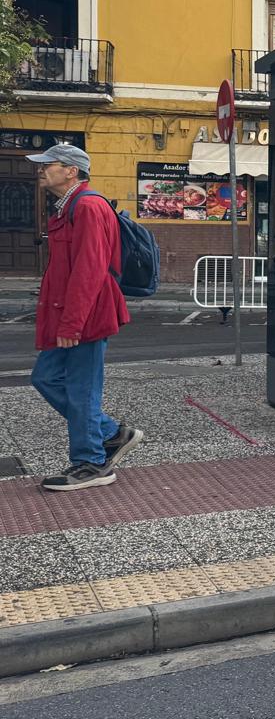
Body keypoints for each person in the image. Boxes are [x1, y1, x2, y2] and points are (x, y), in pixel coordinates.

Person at [28, 144, 142, 492]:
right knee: (45, 377)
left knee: (81, 390)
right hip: (70, 314)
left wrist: (72, 324)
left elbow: (89, 272)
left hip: (85, 316)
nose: (42, 169)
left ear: (72, 171)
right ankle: (111, 433)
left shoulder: (89, 206)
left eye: (50, 164)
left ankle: (91, 463)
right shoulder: (70, 208)